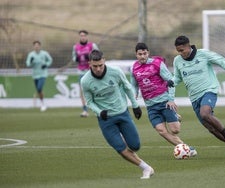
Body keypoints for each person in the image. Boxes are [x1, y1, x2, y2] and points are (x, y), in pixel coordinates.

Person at [81, 50, 154, 179]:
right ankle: (146, 168)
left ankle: (128, 143)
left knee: (135, 146)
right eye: (95, 66)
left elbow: (127, 87)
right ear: (89, 64)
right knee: (120, 148)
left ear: (104, 61)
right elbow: (89, 101)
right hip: (105, 119)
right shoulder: (85, 81)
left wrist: (135, 105)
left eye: (100, 65)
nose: (98, 69)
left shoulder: (115, 72)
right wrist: (99, 112)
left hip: (122, 113)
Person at [172, 35, 225, 159]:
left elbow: (221, 60)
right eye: (178, 51)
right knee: (211, 129)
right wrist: (170, 82)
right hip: (194, 97)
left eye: (182, 50)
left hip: (209, 90)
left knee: (205, 114)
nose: (181, 53)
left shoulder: (203, 54)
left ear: (188, 46)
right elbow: (177, 78)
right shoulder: (177, 61)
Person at [130, 43, 197, 157]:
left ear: (148, 53)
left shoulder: (157, 64)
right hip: (150, 105)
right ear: (136, 55)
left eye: (145, 53)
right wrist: (135, 94)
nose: (142, 56)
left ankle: (176, 117)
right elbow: (134, 84)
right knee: (161, 131)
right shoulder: (134, 68)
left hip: (164, 101)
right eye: (140, 54)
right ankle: (186, 148)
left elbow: (170, 81)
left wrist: (171, 100)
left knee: (175, 130)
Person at [60, 30, 99, 117]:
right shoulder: (76, 47)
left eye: (84, 35)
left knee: (95, 89)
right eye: (81, 35)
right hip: (81, 71)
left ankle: (97, 109)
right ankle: (85, 110)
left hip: (92, 71)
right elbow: (74, 58)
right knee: (82, 91)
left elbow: (98, 56)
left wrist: (90, 56)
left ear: (87, 36)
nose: (82, 37)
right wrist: (76, 58)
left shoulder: (92, 45)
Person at [26, 40, 52, 112]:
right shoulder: (31, 55)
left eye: (38, 45)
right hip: (35, 75)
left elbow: (50, 60)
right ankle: (43, 103)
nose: (36, 47)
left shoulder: (44, 53)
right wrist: (31, 62)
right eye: (35, 45)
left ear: (40, 46)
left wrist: (46, 65)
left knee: (39, 88)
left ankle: (42, 104)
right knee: (39, 90)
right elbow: (28, 64)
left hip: (43, 74)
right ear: (33, 46)